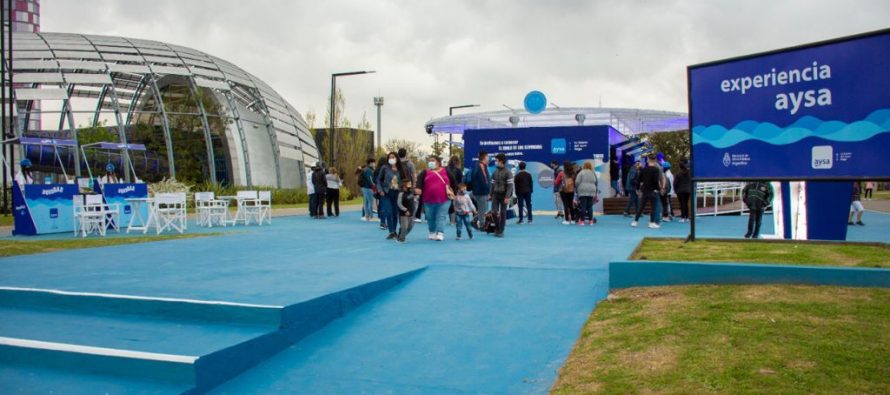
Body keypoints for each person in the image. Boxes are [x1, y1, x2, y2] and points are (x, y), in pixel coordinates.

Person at [415, 155, 455, 241]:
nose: (431, 162)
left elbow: (454, 182)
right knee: (430, 217)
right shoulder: (425, 172)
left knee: (441, 216)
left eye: (432, 160)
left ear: (438, 162)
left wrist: (453, 192)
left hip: (444, 199)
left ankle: (440, 233)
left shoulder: (446, 171)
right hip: (428, 200)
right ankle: (432, 232)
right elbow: (419, 180)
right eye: (429, 161)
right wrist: (418, 188)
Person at [376, 152, 405, 239]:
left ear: (396, 158)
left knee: (395, 213)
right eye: (390, 157)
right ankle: (391, 231)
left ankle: (395, 231)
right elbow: (379, 180)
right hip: (386, 193)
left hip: (397, 193)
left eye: (393, 157)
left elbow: (404, 181)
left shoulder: (400, 169)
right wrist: (380, 190)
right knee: (388, 211)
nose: (391, 159)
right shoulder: (385, 168)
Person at [632, 155, 664, 229]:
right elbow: (656, 181)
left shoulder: (643, 170)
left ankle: (635, 221)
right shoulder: (656, 170)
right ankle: (651, 223)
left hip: (645, 191)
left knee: (641, 207)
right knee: (653, 207)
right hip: (653, 191)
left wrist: (637, 189)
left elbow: (638, 180)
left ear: (648, 160)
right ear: (655, 160)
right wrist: (659, 189)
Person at [489, 153, 513, 238]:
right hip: (495, 194)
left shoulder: (508, 172)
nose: (495, 162)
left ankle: (501, 230)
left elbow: (510, 186)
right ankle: (497, 227)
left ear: (501, 161)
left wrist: (507, 196)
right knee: (494, 212)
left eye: (496, 160)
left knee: (503, 213)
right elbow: (492, 184)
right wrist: (490, 194)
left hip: (504, 195)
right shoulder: (495, 172)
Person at [469, 151, 491, 226]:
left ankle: (479, 222)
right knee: (482, 209)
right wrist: (488, 191)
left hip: (479, 190)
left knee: (482, 208)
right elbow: (484, 180)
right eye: (487, 156)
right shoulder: (481, 166)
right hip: (481, 191)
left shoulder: (479, 165)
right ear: (484, 157)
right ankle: (482, 224)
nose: (488, 158)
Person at [575, 161, 599, 226]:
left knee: (583, 206)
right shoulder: (593, 173)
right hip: (591, 190)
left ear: (584, 166)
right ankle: (591, 221)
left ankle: (582, 221)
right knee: (590, 206)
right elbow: (596, 182)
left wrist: (577, 188)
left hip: (582, 191)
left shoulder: (581, 172)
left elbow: (577, 182)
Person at [396, 179, 418, 243]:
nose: (410, 185)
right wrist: (405, 210)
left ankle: (401, 235)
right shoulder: (401, 194)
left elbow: (413, 200)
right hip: (404, 214)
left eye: (410, 184)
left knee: (410, 227)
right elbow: (399, 203)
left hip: (411, 213)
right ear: (404, 185)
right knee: (404, 227)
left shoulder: (411, 192)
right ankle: (401, 239)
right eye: (409, 184)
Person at [373, 155, 388, 229]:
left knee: (381, 205)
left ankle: (382, 221)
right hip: (385, 189)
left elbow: (374, 180)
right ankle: (383, 222)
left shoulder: (376, 170)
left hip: (379, 189)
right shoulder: (385, 170)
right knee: (385, 206)